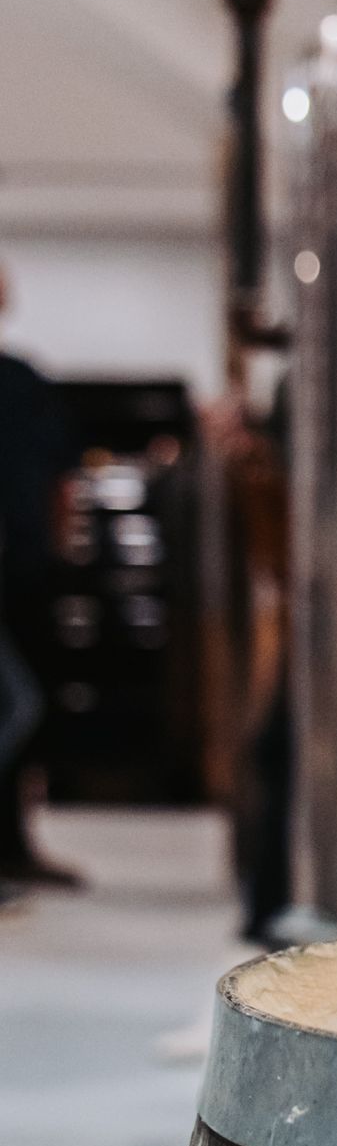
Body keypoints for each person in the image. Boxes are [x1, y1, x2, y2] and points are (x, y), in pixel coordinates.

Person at [0, 266, 83, 889]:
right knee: (16, 705)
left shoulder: (24, 382)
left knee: (28, 710)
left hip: (24, 574)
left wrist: (60, 556)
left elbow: (62, 486)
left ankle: (14, 845)